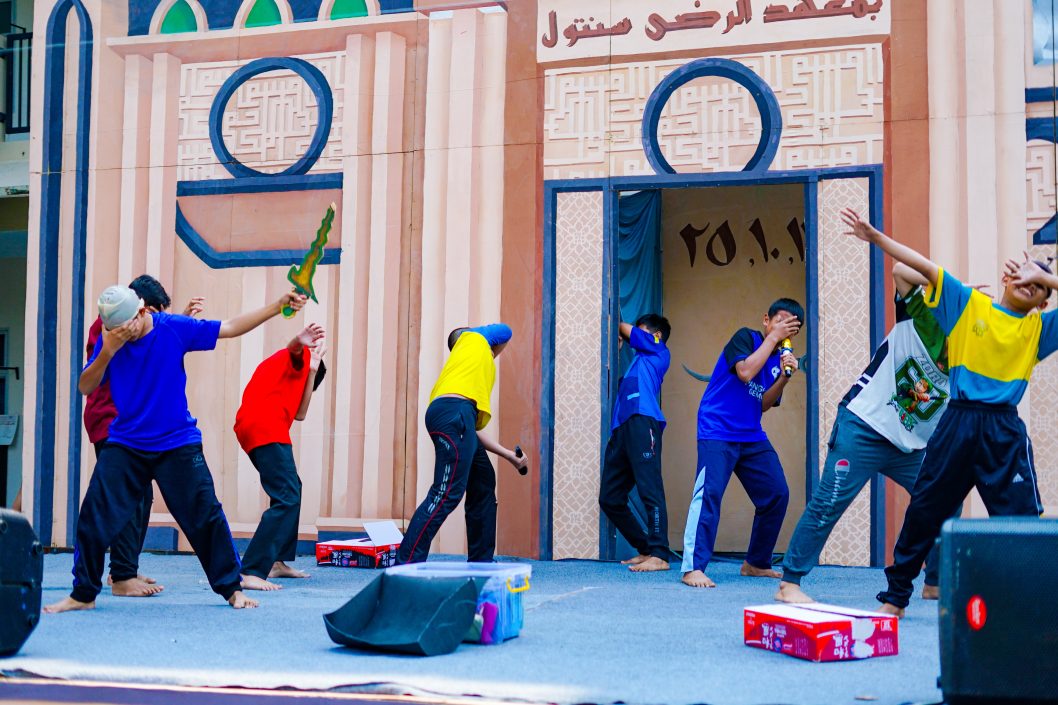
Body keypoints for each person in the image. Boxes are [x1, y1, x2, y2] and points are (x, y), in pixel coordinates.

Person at [840, 208, 1053, 618]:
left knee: (1023, 522)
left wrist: (1044, 275)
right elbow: (921, 266)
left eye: (1040, 285)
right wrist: (875, 236)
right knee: (925, 509)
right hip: (957, 423)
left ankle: (1031, 609)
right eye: (1025, 274)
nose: (1031, 282)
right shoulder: (968, 305)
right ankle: (895, 598)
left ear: (1044, 301)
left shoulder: (1037, 330)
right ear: (1008, 278)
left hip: (1004, 432)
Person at [44, 284, 307, 613]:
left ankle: (232, 589)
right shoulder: (111, 338)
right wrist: (108, 350)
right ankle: (83, 595)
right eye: (115, 331)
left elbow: (228, 327)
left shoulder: (173, 328)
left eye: (127, 327)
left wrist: (276, 306)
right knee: (93, 516)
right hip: (126, 443)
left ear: (143, 311)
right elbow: (86, 385)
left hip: (176, 442)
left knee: (205, 516)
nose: (124, 334)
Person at [776, 264, 956, 604]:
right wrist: (946, 285)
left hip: (909, 448)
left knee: (946, 496)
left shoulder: (969, 366)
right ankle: (789, 583)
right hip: (863, 427)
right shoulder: (918, 324)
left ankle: (934, 581)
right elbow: (901, 271)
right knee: (829, 502)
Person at [82, 275, 204, 598]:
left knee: (142, 496)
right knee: (129, 497)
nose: (155, 320)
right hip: (112, 421)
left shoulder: (138, 324)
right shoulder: (112, 325)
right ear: (142, 307)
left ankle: (125, 569)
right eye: (156, 312)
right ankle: (122, 575)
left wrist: (182, 323)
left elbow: (155, 347)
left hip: (129, 423)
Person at [681, 299, 803, 588]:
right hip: (717, 429)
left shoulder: (778, 359)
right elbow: (745, 372)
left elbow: (764, 404)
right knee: (709, 494)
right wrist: (773, 339)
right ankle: (692, 568)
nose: (783, 329)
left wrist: (785, 378)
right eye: (780, 321)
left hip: (750, 434)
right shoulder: (746, 338)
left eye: (791, 327)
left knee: (776, 493)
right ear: (766, 320)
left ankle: (756, 562)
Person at [397, 324, 528, 564]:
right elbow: (505, 331)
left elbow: (470, 433)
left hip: (455, 417)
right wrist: (482, 343)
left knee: (483, 479)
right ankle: (406, 563)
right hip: (455, 416)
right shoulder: (472, 338)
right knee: (445, 493)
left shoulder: (459, 373)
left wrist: (509, 455)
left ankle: (481, 561)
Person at [234, 323, 327, 591]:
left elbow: (300, 414)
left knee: (292, 488)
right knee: (287, 496)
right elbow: (294, 349)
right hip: (265, 427)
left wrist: (312, 371)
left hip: (258, 428)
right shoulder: (295, 359)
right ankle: (251, 570)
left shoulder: (301, 370)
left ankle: (277, 562)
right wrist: (300, 341)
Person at [599, 313, 673, 572]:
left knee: (649, 488)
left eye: (640, 331)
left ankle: (660, 554)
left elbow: (625, 330)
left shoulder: (659, 351)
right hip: (622, 429)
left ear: (656, 336)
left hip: (643, 421)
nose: (634, 336)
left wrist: (616, 324)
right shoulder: (638, 362)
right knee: (610, 498)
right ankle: (646, 548)